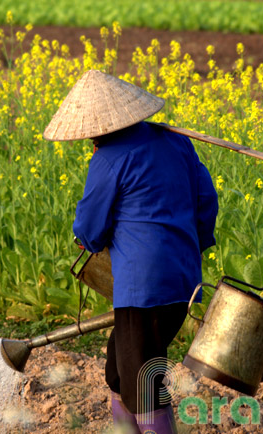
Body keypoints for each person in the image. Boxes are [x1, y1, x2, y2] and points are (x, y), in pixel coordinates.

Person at [44, 70, 218, 434]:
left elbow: (90, 226)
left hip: (144, 289)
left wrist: (88, 241)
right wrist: (190, 246)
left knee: (142, 385)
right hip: (184, 278)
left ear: (97, 128)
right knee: (120, 371)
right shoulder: (176, 142)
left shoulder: (108, 160)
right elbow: (206, 200)